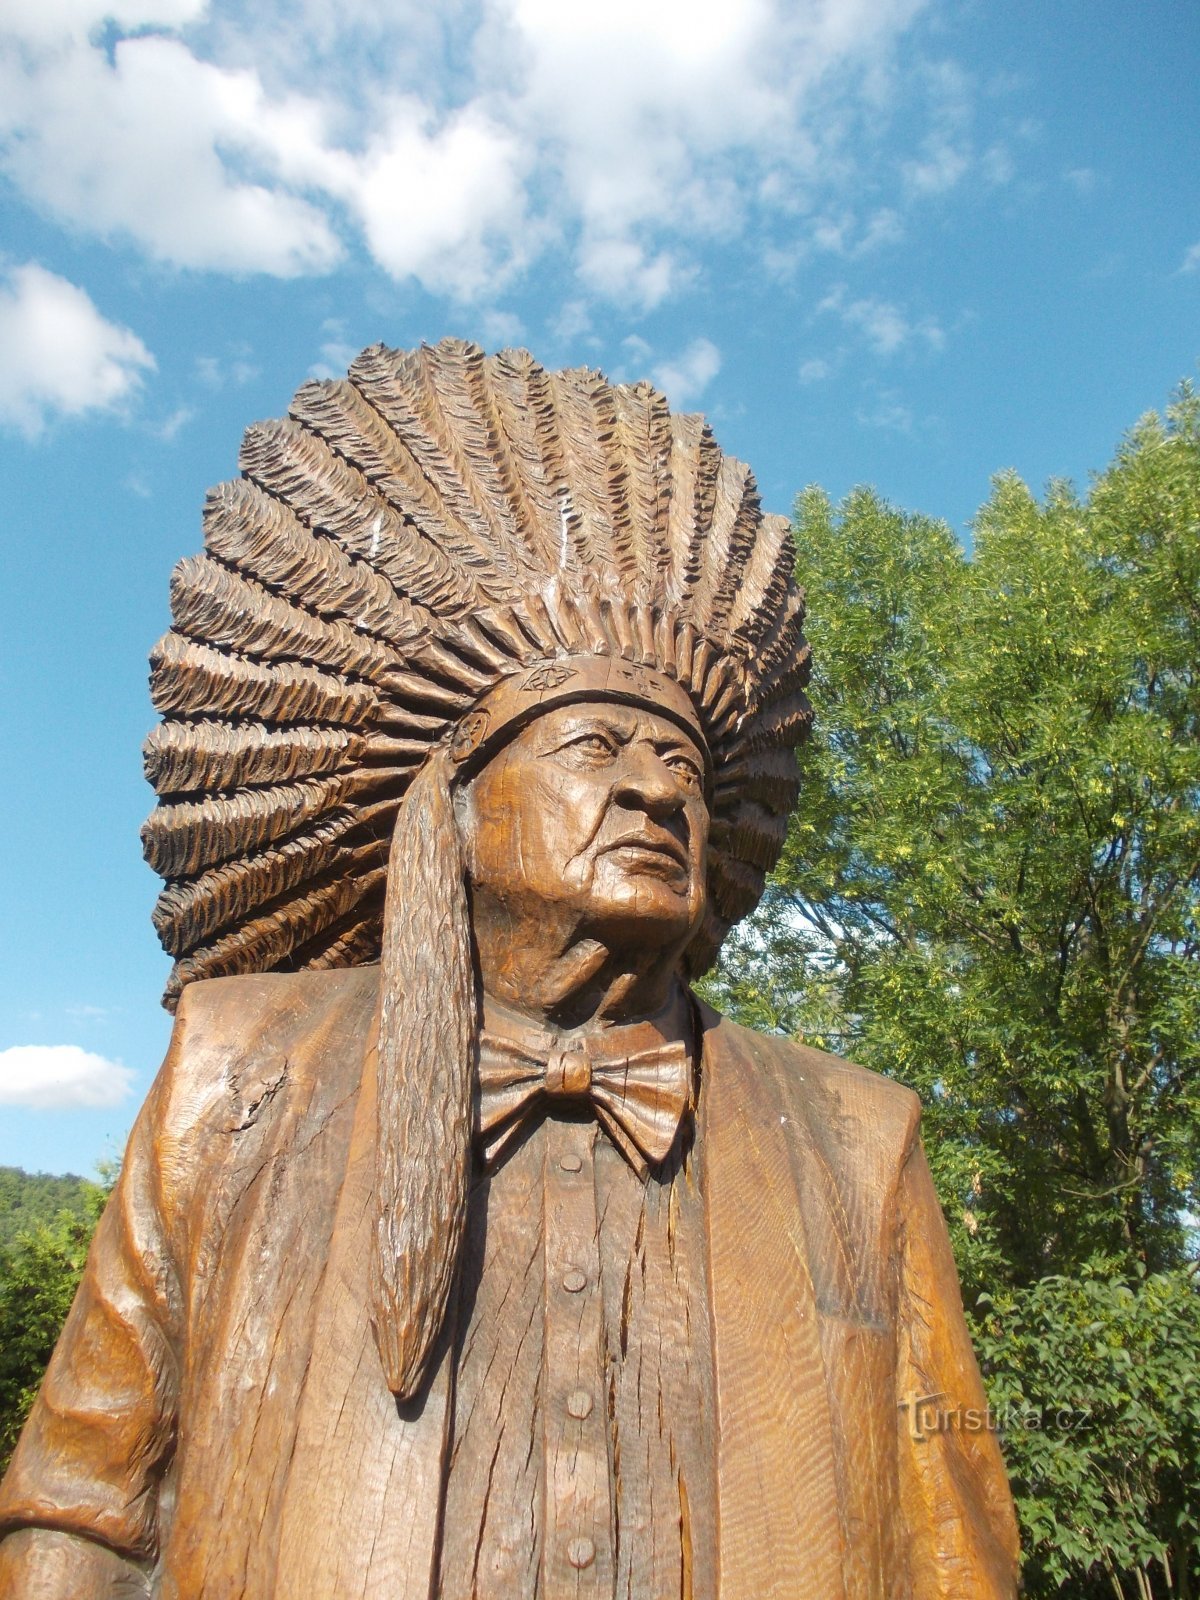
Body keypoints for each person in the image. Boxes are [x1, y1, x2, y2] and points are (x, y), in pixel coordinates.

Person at [0, 340, 1019, 1597]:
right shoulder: (236, 1073)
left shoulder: (857, 1141)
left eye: (685, 765)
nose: (657, 790)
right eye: (594, 745)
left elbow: (956, 1539)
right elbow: (79, 1510)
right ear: (456, 810)